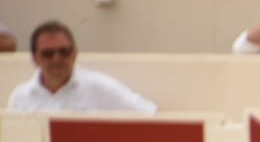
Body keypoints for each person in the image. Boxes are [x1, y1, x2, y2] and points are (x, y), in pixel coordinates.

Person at [8, 21, 156, 113]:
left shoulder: (102, 88)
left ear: (75, 54)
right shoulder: (20, 97)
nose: (57, 58)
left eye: (64, 51)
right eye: (48, 53)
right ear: (35, 59)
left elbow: (149, 114)